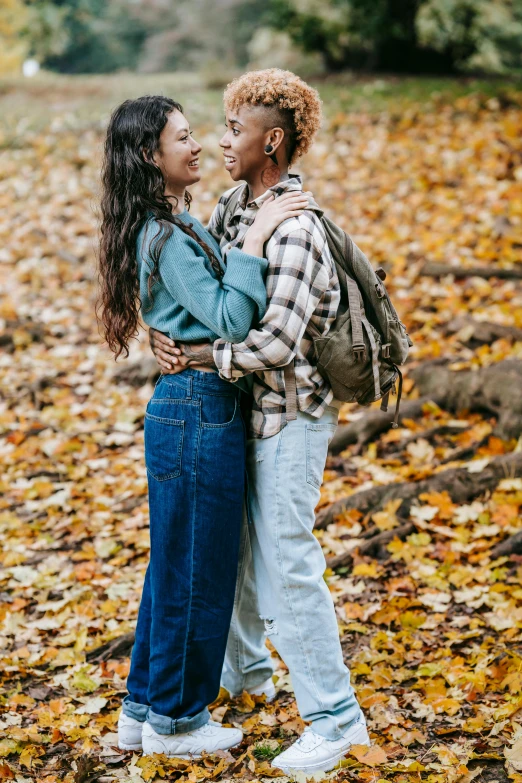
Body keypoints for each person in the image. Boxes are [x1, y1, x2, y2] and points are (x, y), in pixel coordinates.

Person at [149, 69, 370, 776]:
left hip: (290, 420)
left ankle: (336, 717)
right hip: (242, 414)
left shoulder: (297, 228)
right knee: (236, 558)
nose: (220, 140)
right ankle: (247, 677)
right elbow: (214, 294)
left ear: (271, 140)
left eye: (235, 129)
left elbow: (273, 342)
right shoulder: (232, 207)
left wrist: (199, 352)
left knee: (287, 567)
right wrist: (165, 335)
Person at [96, 94, 309, 758]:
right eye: (183, 138)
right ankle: (179, 721)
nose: (198, 146)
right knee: (197, 570)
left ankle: (142, 707)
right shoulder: (166, 235)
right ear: (147, 156)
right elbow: (232, 319)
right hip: (198, 409)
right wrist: (251, 243)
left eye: (197, 134)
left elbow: (193, 307)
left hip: (188, 405)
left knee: (172, 567)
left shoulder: (174, 224)